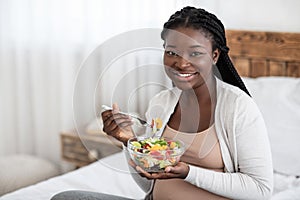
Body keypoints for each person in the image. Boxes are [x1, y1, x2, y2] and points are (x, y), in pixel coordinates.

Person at [51, 6, 273, 200]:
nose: (181, 63)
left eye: (195, 53)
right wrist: (131, 143)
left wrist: (188, 172)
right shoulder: (161, 103)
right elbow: (149, 184)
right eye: (171, 52)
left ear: (214, 56)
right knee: (65, 198)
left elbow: (261, 190)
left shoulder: (238, 107)